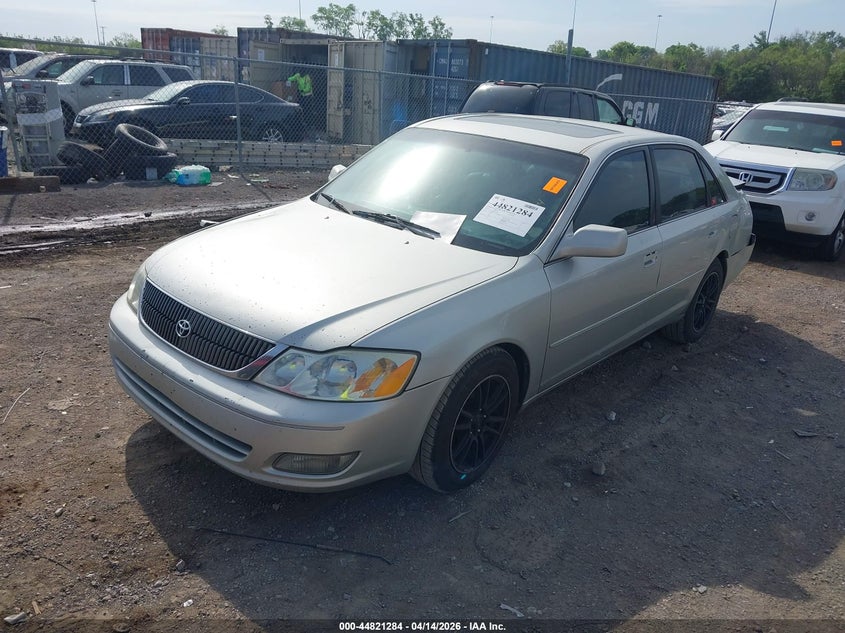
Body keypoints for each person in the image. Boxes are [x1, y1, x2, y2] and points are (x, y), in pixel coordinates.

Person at [287, 69, 314, 135]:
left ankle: (309, 124)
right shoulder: (297, 76)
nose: (301, 74)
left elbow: (308, 88)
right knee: (302, 109)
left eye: (303, 73)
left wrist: (303, 90)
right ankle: (303, 123)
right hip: (301, 95)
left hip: (308, 96)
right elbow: (291, 78)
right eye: (300, 73)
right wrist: (288, 80)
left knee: (308, 110)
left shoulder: (307, 77)